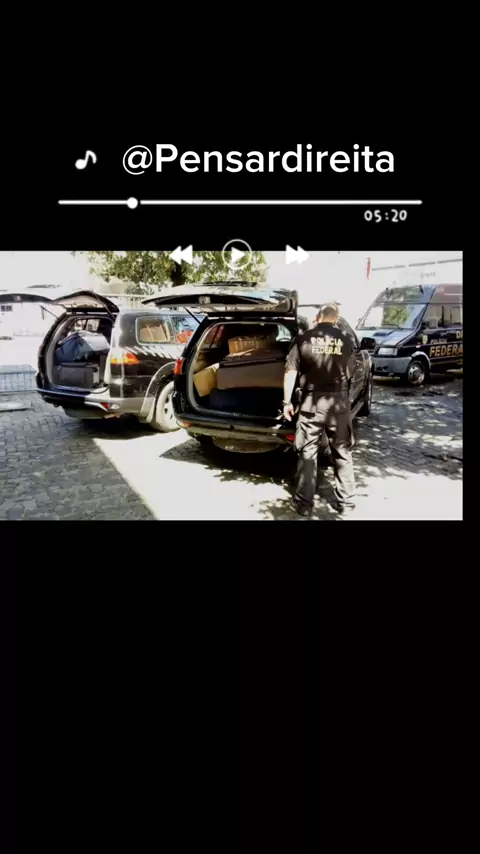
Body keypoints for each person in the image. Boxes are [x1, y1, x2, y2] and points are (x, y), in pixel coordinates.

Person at [283, 302, 357, 518]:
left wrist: (287, 402)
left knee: (308, 453)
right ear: (337, 318)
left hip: (310, 404)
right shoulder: (346, 340)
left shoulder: (303, 339)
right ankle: (347, 503)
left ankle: (304, 504)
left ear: (318, 316)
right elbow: (351, 371)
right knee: (342, 452)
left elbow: (290, 372)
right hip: (338, 405)